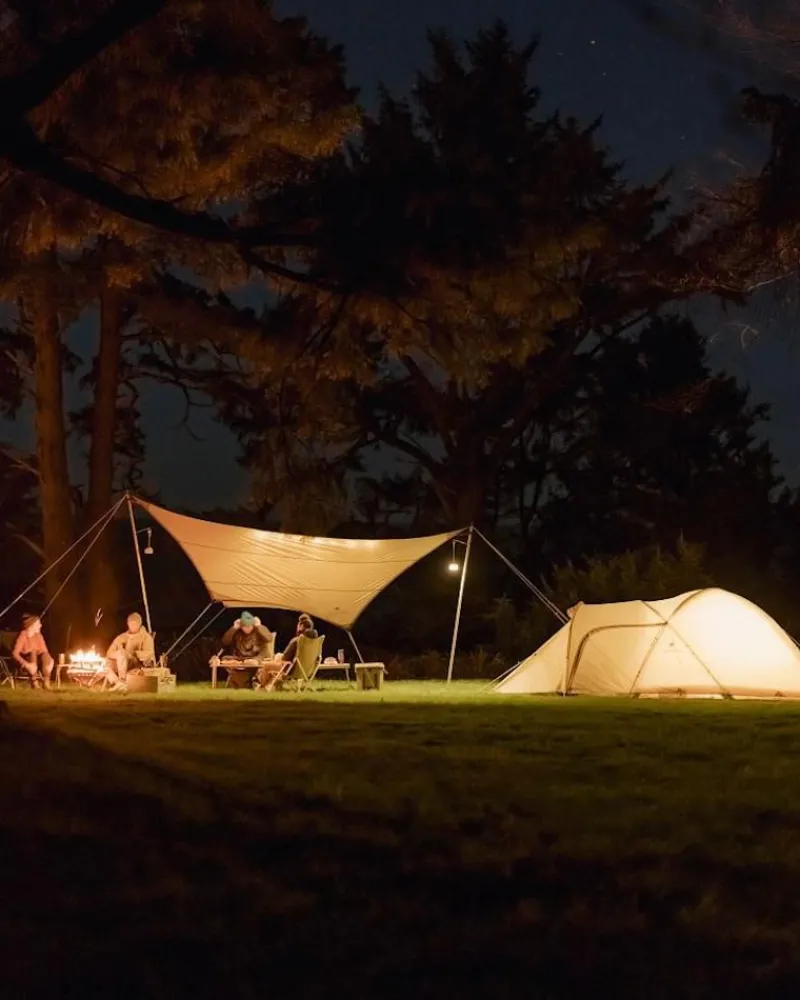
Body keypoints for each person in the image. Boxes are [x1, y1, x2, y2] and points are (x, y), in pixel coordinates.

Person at [212, 611, 272, 688]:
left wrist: (259, 626)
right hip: (241, 659)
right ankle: (236, 681)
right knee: (225, 659)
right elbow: (225, 641)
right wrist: (234, 628)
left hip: (257, 658)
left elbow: (269, 638)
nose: (247, 628)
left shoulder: (259, 631)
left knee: (252, 662)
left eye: (249, 626)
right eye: (245, 626)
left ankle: (251, 680)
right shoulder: (238, 632)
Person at [105, 612, 155, 689]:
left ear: (139, 624)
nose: (133, 626)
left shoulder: (145, 637)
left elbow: (149, 653)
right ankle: (117, 683)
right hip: (120, 662)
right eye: (131, 624)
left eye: (135, 624)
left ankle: (122, 680)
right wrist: (119, 654)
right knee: (103, 663)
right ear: (127, 624)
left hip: (135, 664)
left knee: (121, 653)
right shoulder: (121, 637)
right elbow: (109, 653)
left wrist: (134, 653)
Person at [12, 613, 54, 690]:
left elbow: (44, 651)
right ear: (32, 625)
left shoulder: (38, 635)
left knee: (47, 657)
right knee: (33, 652)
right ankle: (34, 683)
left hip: (37, 661)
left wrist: (49, 661)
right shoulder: (23, 635)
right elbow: (15, 653)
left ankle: (46, 682)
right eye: (38, 623)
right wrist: (25, 664)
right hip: (25, 661)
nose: (40, 625)